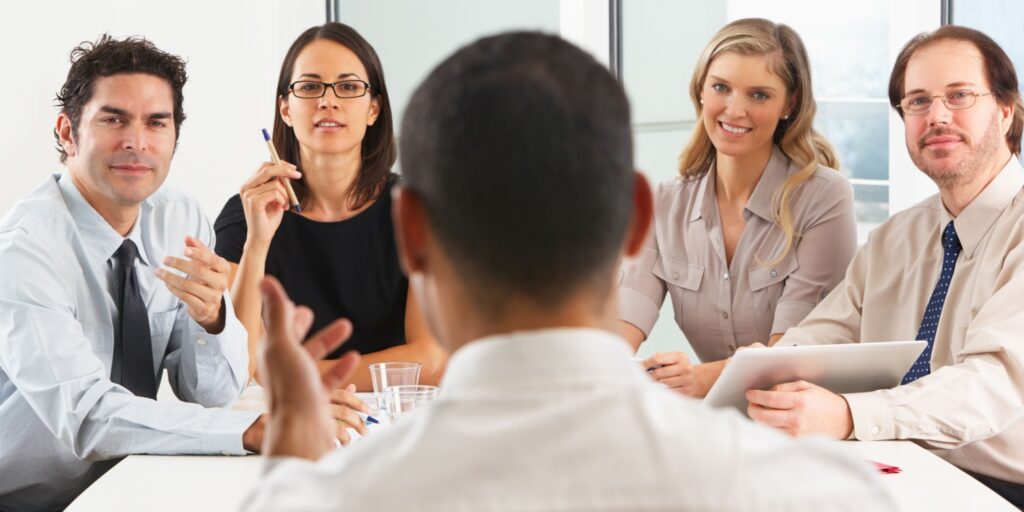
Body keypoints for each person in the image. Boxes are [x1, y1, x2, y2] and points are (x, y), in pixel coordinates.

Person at [240, 32, 895, 511]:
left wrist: (295, 456)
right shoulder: (823, 495)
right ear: (638, 218)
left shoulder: (319, 499)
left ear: (410, 233)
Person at [743, 26, 1024, 508]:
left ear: (1004, 111)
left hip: (1000, 489)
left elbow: (994, 385)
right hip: (895, 467)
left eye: (959, 95)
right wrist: (766, 372)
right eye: (917, 102)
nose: (937, 116)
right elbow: (826, 333)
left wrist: (849, 415)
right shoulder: (895, 238)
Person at [0, 35, 275, 511]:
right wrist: (251, 429)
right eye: (114, 119)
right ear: (67, 132)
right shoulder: (26, 249)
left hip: (132, 484)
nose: (137, 142)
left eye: (156, 122)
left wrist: (212, 321)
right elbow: (86, 415)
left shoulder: (180, 219)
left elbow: (209, 396)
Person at [618, 18, 856, 396]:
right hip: (720, 423)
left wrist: (697, 378)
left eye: (758, 95)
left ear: (789, 104)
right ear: (700, 90)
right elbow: (622, 323)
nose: (734, 110)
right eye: (721, 87)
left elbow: (793, 355)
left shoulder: (824, 197)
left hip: (807, 420)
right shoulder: (664, 202)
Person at [214, 22, 446, 390]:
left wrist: (297, 376)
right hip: (286, 420)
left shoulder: (416, 211)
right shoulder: (245, 212)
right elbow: (239, 364)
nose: (328, 100)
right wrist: (257, 242)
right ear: (286, 109)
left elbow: (430, 361)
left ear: (374, 109)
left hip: (395, 422)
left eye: (349, 86)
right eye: (309, 87)